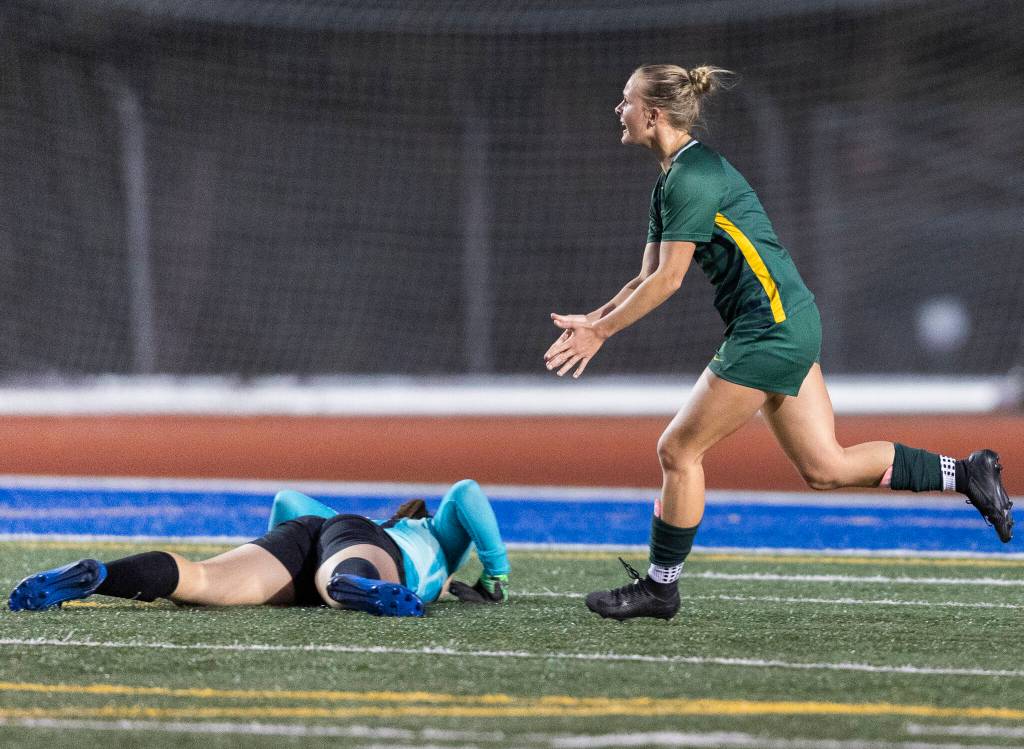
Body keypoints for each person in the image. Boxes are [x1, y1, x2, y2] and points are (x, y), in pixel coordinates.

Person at [543, 64, 1014, 622]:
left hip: (770, 329)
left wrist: (602, 333)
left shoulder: (692, 177)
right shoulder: (672, 178)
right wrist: (595, 319)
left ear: (653, 113)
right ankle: (967, 473)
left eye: (625, 101)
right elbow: (646, 277)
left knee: (678, 451)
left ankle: (660, 589)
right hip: (788, 321)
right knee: (826, 467)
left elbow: (669, 281)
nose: (618, 110)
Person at [8, 479, 510, 616]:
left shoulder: (353, 522)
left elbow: (287, 499)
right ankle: (345, 585)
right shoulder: (431, 534)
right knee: (343, 579)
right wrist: (494, 576)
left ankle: (100, 577)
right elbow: (466, 492)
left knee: (200, 579)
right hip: (357, 540)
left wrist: (278, 561)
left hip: (308, 533)